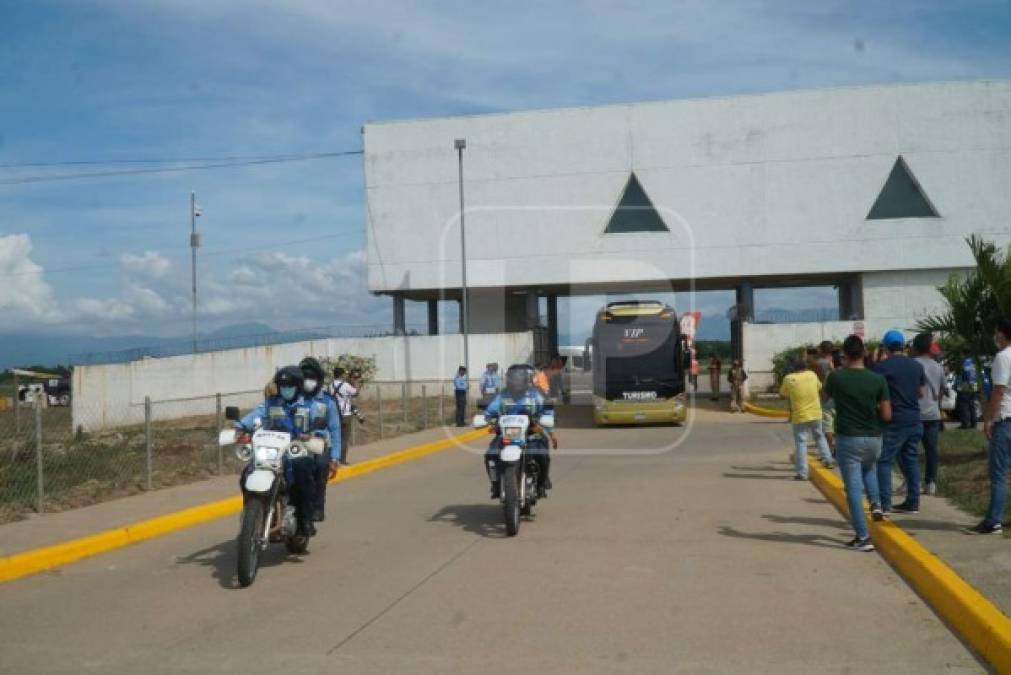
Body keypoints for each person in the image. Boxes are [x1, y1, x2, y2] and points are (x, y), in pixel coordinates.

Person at [825, 335, 892, 551]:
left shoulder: (837, 378)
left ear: (844, 354)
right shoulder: (878, 379)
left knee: (853, 488)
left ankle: (863, 537)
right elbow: (887, 414)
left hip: (848, 437)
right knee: (869, 468)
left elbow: (824, 398)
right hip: (874, 437)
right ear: (864, 353)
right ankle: (876, 505)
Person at [236, 366, 319, 537]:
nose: (286, 389)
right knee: (246, 475)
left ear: (298, 386)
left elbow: (319, 427)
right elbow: (254, 416)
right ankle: (250, 518)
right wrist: (239, 427)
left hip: (296, 451)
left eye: (289, 385)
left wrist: (312, 434)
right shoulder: (271, 403)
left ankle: (305, 520)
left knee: (303, 472)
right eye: (282, 386)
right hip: (272, 450)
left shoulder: (310, 405)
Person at [873, 329, 926, 514]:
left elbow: (876, 393)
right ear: (903, 346)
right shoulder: (916, 366)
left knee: (884, 461)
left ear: (886, 347)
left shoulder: (882, 367)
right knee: (910, 459)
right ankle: (913, 502)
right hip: (914, 418)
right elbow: (921, 393)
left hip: (895, 420)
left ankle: (885, 504)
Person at [483, 365, 553, 499]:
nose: (516, 382)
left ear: (526, 380)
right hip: (506, 434)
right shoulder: (502, 395)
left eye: (519, 379)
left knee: (542, 452)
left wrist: (546, 418)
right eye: (514, 379)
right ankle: (495, 484)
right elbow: (490, 410)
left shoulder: (534, 394)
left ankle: (542, 482)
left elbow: (546, 409)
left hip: (531, 434)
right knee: (490, 456)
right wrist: (486, 417)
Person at [968, 318, 1011, 534]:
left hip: (1005, 420)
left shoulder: (1003, 357)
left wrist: (987, 419)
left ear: (1003, 334)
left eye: (997, 333)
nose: (995, 337)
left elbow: (998, 391)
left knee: (999, 473)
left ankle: (993, 519)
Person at [780, 357, 836, 480]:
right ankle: (828, 460)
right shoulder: (812, 375)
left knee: (801, 443)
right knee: (819, 436)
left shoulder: (789, 378)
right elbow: (819, 387)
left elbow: (783, 395)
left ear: (793, 368)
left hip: (799, 415)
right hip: (816, 413)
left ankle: (803, 473)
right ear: (805, 367)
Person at [300, 357, 341, 522]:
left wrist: (335, 457)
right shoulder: (295, 399)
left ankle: (317, 507)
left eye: (311, 377)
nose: (308, 381)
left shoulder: (327, 401)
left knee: (319, 466)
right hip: (295, 442)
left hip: (319, 444)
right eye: (305, 377)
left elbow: (335, 429)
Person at [912, 333, 945, 497]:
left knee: (911, 450)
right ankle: (931, 482)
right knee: (931, 449)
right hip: (933, 413)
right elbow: (942, 390)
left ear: (915, 347)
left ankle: (912, 481)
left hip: (914, 412)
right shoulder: (938, 366)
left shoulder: (911, 364)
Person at [329, 367, 359, 465]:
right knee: (344, 439)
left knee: (334, 437)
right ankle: (342, 460)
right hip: (345, 415)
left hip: (334, 414)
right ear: (341, 375)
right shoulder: (346, 385)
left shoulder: (330, 385)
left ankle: (333, 458)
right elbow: (356, 393)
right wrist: (354, 381)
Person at [815, 341, 837, 453]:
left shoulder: (819, 362)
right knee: (835, 420)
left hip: (825, 393)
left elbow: (818, 378)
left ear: (822, 350)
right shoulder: (835, 360)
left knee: (827, 423)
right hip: (837, 393)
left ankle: (830, 447)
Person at [955, 354, 980, 429]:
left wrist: (958, 387)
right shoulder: (974, 363)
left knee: (964, 406)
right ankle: (974, 423)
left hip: (965, 386)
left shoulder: (965, 362)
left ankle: (965, 424)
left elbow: (964, 376)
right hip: (974, 386)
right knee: (972, 406)